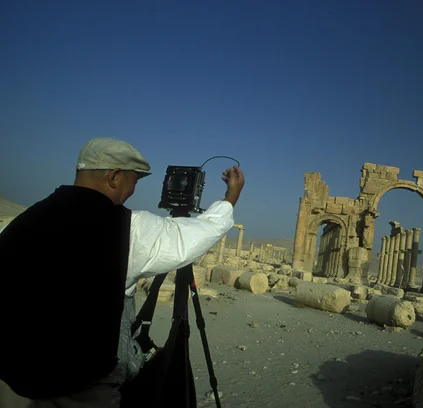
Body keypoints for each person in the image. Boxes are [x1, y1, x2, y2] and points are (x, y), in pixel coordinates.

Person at [0, 137, 245, 408]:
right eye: (134, 181)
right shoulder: (126, 230)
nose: (132, 190)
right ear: (114, 176)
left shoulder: (24, 221)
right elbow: (189, 238)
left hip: (17, 379)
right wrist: (230, 198)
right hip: (81, 387)